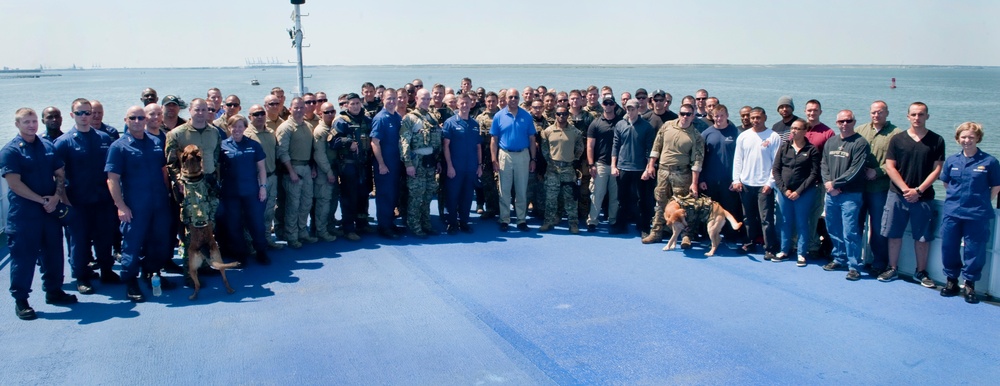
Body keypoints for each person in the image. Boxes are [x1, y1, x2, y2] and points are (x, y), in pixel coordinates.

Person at [3, 108, 77, 319]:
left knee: (54, 253)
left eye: (34, 121)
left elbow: (60, 174)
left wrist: (56, 196)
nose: (31, 125)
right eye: (26, 122)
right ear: (17, 124)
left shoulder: (47, 146)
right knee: (23, 258)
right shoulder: (11, 151)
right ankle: (21, 300)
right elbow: (14, 183)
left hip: (49, 211)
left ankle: (54, 291)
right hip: (25, 215)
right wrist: (42, 200)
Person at [106, 106, 173, 303]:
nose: (137, 121)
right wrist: (120, 206)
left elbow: (163, 171)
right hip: (135, 205)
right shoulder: (118, 147)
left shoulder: (155, 142)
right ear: (126, 120)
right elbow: (112, 179)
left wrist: (168, 194)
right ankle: (130, 281)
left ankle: (152, 273)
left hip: (159, 203)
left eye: (141, 117)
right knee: (132, 245)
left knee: (159, 242)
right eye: (133, 118)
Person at [54, 98, 120, 295]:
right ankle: (81, 276)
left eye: (87, 112)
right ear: (72, 115)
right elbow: (58, 174)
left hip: (102, 200)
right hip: (77, 202)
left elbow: (112, 171)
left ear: (93, 114)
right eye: (80, 113)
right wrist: (64, 200)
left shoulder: (104, 139)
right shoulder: (63, 143)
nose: (84, 116)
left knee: (104, 238)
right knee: (79, 241)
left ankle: (107, 271)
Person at [879, 102, 945, 287]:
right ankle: (892, 268)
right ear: (908, 116)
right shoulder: (897, 139)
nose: (917, 118)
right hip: (897, 195)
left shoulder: (937, 140)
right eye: (914, 114)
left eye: (921, 114)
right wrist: (905, 189)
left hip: (923, 197)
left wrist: (918, 190)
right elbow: (890, 166)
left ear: (927, 116)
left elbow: (937, 169)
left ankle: (921, 272)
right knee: (894, 233)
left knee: (923, 237)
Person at [938, 122, 1000, 303]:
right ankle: (951, 281)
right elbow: (946, 183)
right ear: (958, 139)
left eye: (971, 137)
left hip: (977, 214)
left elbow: (996, 187)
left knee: (975, 250)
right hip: (953, 212)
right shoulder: (952, 161)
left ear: (978, 138)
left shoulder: (989, 162)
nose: (967, 140)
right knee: (948, 247)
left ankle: (970, 284)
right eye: (963, 137)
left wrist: (981, 203)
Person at [818, 110, 870, 279]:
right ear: (837, 123)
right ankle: (839, 257)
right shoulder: (831, 142)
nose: (844, 124)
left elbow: (856, 169)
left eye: (848, 121)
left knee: (850, 231)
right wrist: (828, 183)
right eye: (841, 121)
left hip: (850, 195)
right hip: (831, 194)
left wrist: (835, 184)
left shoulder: (860, 143)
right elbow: (824, 164)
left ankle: (853, 265)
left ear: (854, 122)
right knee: (832, 227)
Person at [642, 103, 704, 245]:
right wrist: (651, 165)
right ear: (679, 113)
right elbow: (656, 146)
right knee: (660, 202)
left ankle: (686, 235)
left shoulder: (696, 136)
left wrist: (694, 183)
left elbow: (697, 162)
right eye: (682, 113)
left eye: (688, 114)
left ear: (693, 116)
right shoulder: (667, 126)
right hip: (663, 171)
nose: (685, 117)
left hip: (682, 173)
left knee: (684, 205)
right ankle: (656, 232)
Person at [855, 100, 901, 275]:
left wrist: (879, 171)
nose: (876, 115)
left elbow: (898, 162)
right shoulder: (860, 130)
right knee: (855, 224)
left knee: (879, 227)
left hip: (880, 188)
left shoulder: (896, 134)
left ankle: (879, 262)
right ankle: (852, 258)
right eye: (873, 112)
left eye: (880, 112)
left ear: (887, 113)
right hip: (858, 187)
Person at [218, 115, 271, 265]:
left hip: (251, 192)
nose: (237, 129)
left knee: (256, 224)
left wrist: (263, 188)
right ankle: (240, 256)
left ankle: (261, 252)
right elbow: (217, 169)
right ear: (229, 128)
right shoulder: (222, 146)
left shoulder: (254, 145)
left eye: (240, 126)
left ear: (245, 127)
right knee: (234, 225)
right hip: (230, 194)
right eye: (234, 126)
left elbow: (261, 169)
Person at [732, 107, 782, 258]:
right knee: (748, 216)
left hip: (764, 185)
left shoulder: (773, 136)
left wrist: (770, 183)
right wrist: (736, 179)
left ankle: (770, 248)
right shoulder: (744, 136)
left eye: (758, 117)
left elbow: (776, 163)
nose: (755, 120)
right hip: (746, 184)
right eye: (752, 118)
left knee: (766, 218)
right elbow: (738, 159)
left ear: (765, 117)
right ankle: (749, 243)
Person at [772, 119, 821, 265]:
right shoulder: (784, 147)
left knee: (802, 222)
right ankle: (784, 250)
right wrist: (783, 189)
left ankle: (801, 253)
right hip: (785, 192)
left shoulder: (811, 150)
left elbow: (814, 174)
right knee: (785, 221)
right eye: (793, 128)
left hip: (804, 193)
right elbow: (776, 169)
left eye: (798, 129)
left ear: (805, 131)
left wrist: (799, 191)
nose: (794, 131)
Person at [490, 88, 537, 232]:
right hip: (505, 155)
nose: (513, 99)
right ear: (506, 98)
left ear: (519, 99)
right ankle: (504, 219)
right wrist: (494, 159)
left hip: (523, 155)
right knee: (504, 189)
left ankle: (521, 219)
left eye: (516, 97)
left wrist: (533, 159)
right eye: (511, 97)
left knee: (521, 189)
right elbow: (494, 139)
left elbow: (532, 139)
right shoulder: (499, 116)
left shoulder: (527, 116)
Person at [331, 93, 374, 241]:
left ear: (361, 103)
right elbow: (332, 142)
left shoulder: (367, 120)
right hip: (349, 166)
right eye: (352, 104)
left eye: (357, 103)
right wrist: (348, 142)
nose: (355, 106)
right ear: (347, 105)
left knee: (364, 195)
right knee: (349, 197)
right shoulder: (341, 122)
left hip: (365, 164)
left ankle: (362, 223)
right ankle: (348, 228)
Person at [275, 97, 316, 249]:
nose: (299, 110)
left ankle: (302, 231)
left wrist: (312, 167)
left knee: (306, 203)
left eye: (301, 107)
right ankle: (291, 235)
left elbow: (311, 150)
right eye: (296, 107)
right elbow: (282, 151)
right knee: (293, 205)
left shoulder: (307, 126)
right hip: (293, 169)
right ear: (290, 109)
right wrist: (291, 171)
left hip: (306, 168)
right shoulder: (285, 128)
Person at [400, 89, 442, 238]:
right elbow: (404, 142)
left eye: (427, 99)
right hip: (416, 162)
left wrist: (438, 161)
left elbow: (437, 143)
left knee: (427, 196)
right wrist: (408, 164)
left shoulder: (432, 118)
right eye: (422, 99)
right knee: (416, 196)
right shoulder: (409, 118)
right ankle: (414, 226)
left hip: (430, 162)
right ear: (416, 98)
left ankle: (426, 223)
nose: (425, 101)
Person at [700, 105, 744, 244]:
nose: (719, 118)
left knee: (730, 209)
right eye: (716, 116)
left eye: (721, 115)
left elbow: (741, 158)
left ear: (727, 116)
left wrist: (737, 179)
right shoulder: (706, 134)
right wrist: (701, 179)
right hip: (709, 180)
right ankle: (708, 236)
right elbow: (700, 159)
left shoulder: (736, 133)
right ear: (712, 117)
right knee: (709, 210)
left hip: (729, 181)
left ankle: (730, 237)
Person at [537, 106, 584, 233]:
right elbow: (544, 149)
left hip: (568, 169)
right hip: (553, 169)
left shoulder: (575, 132)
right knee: (551, 198)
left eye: (564, 114)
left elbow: (580, 147)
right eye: (559, 114)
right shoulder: (547, 131)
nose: (561, 116)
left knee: (570, 198)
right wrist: (550, 162)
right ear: (555, 115)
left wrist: (574, 160)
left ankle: (573, 224)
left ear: (568, 115)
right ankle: (548, 222)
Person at [611, 100, 655, 236]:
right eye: (628, 109)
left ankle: (644, 227)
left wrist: (648, 169)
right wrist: (613, 166)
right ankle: (621, 225)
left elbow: (650, 150)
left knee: (643, 200)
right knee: (622, 199)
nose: (630, 112)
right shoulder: (620, 124)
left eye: (632, 109)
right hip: (623, 167)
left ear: (638, 109)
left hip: (640, 169)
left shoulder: (647, 127)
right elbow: (615, 146)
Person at [442, 94, 482, 234]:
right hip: (455, 167)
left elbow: (478, 147)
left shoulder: (475, 124)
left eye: (467, 103)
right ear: (457, 104)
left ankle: (463, 222)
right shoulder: (450, 122)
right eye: (462, 103)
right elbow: (446, 146)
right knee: (452, 195)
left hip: (470, 167)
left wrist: (479, 165)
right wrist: (450, 166)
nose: (465, 106)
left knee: (467, 196)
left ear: (471, 104)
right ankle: (452, 223)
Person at [244, 104, 283, 249]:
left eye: (261, 113)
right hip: (256, 181)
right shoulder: (246, 135)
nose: (259, 116)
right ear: (250, 117)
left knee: (269, 212)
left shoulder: (271, 132)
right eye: (255, 114)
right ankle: (252, 243)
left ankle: (267, 240)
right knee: (254, 214)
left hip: (271, 177)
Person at [371, 89, 403, 239]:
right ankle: (384, 227)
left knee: (393, 195)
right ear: (383, 99)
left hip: (396, 164)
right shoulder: (380, 118)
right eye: (389, 98)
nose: (392, 101)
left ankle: (390, 223)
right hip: (384, 166)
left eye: (394, 98)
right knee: (385, 195)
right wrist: (381, 164)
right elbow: (375, 143)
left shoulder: (397, 117)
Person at [587, 95, 621, 232]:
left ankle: (613, 221)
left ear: (614, 105)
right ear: (602, 105)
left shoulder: (621, 123)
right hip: (600, 164)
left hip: (616, 165)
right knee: (597, 194)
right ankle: (592, 221)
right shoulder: (595, 123)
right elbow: (590, 145)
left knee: (615, 196)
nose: (608, 105)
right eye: (605, 103)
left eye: (610, 103)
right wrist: (591, 164)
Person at [311, 100, 341, 242]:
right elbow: (319, 154)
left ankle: (329, 226)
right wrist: (328, 172)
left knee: (332, 200)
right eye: (326, 112)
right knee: (323, 202)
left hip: (333, 168)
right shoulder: (320, 131)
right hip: (325, 171)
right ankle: (321, 230)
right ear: (320, 113)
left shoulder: (332, 128)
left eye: (332, 111)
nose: (330, 114)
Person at [475, 92, 501, 220]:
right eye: (489, 101)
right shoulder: (480, 118)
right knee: (488, 183)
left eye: (493, 101)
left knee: (502, 183)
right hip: (485, 154)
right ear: (485, 102)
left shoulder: (503, 116)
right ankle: (491, 208)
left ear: (497, 102)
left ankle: (503, 208)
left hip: (501, 153)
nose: (491, 104)